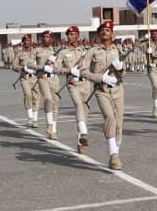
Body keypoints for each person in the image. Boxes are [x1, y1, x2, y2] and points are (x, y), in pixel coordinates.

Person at [81, 21, 126, 170]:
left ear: (112, 33)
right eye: (102, 30)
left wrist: (120, 69)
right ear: (99, 34)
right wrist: (101, 78)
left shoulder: (117, 50)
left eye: (108, 30)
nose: (105, 32)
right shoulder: (92, 51)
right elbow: (83, 71)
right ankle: (113, 155)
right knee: (110, 118)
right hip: (102, 90)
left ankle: (116, 152)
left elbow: (122, 74)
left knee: (118, 123)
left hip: (118, 89)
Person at [54, 26, 92, 153]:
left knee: (84, 112)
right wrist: (69, 70)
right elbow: (56, 68)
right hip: (72, 83)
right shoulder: (63, 52)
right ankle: (84, 133)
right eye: (68, 34)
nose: (69, 36)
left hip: (85, 83)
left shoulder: (86, 51)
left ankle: (81, 142)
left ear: (78, 35)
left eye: (72, 34)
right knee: (78, 105)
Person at [34, 30, 61, 139]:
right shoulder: (37, 50)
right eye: (44, 37)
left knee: (55, 103)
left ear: (52, 39)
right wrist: (41, 68)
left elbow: (60, 65)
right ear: (42, 38)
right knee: (48, 99)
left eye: (49, 37)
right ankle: (49, 126)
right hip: (42, 77)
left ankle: (53, 130)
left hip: (54, 78)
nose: (46, 39)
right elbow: (29, 64)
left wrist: (55, 67)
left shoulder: (56, 51)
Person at [11, 34, 40, 128]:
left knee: (36, 97)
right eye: (25, 41)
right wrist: (21, 68)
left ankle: (35, 120)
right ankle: (30, 118)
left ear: (31, 42)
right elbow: (14, 66)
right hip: (25, 77)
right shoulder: (20, 54)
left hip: (35, 77)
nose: (27, 42)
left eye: (28, 40)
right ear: (23, 42)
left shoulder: (37, 52)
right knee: (28, 95)